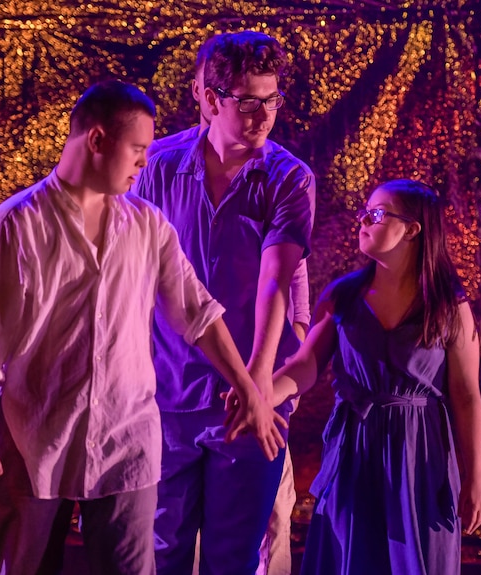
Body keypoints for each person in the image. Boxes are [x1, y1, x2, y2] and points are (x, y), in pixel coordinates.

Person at [0, 79, 284, 575]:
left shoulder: (146, 225)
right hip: (34, 436)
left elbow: (198, 313)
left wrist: (249, 389)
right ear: (96, 140)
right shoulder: (17, 224)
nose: (143, 163)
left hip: (124, 438)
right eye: (136, 149)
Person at [134, 31, 313, 574]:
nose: (264, 115)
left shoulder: (289, 178)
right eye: (249, 101)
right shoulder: (155, 168)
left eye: (273, 100)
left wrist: (257, 385)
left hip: (246, 401)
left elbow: (275, 282)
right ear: (209, 98)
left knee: (234, 558)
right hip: (166, 397)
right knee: (161, 554)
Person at [265, 179, 481, 574]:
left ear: (413, 229)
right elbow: (305, 365)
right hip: (356, 449)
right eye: (364, 212)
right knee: (350, 556)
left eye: (378, 214)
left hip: (420, 456)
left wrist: (476, 479)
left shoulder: (448, 306)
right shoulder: (344, 296)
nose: (364, 221)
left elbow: (466, 396)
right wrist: (260, 394)